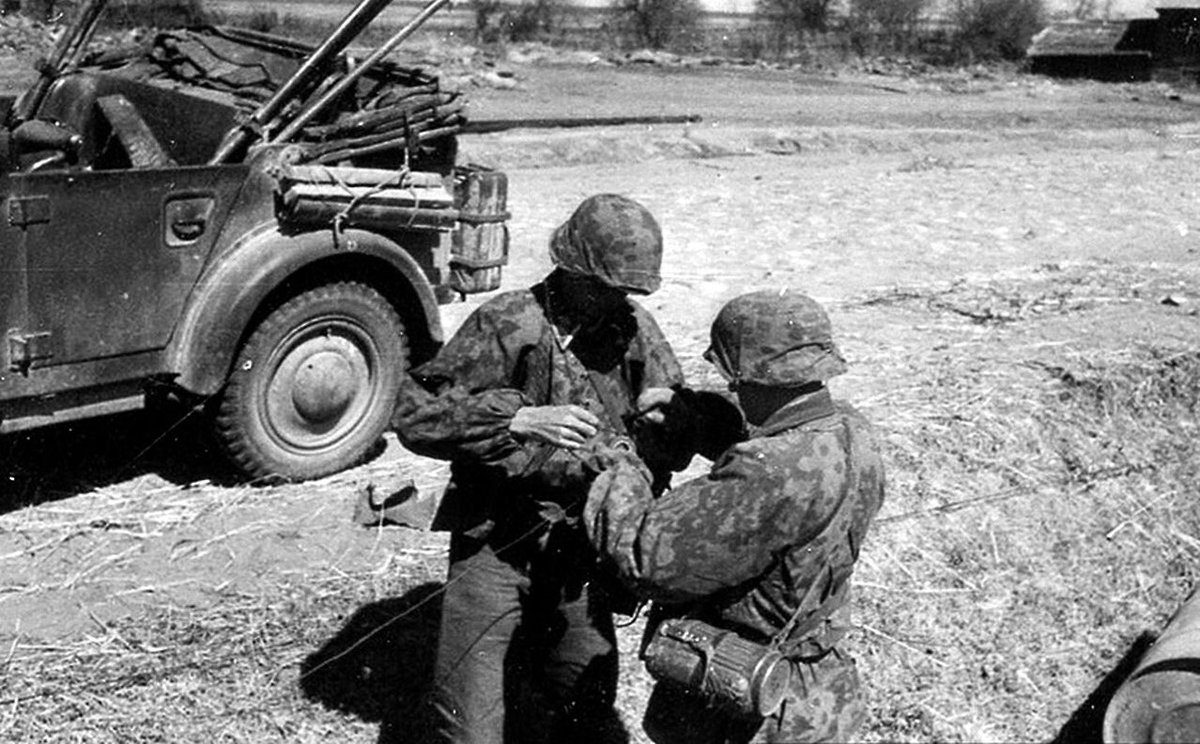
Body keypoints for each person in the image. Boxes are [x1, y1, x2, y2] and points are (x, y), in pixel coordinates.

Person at [392, 193, 689, 744]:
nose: (616, 299)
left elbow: (672, 416)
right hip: (495, 544)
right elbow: (413, 415)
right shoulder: (508, 322)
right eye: (606, 286)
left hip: (581, 549)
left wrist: (664, 418)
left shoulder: (631, 327)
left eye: (625, 289)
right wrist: (518, 418)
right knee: (469, 723)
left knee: (585, 707)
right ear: (571, 269)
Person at [583, 288, 886, 744]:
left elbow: (645, 559)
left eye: (732, 377)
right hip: (818, 691)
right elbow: (780, 440)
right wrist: (699, 419)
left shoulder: (766, 472)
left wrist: (621, 464)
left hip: (745, 710)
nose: (729, 386)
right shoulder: (852, 430)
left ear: (746, 375)